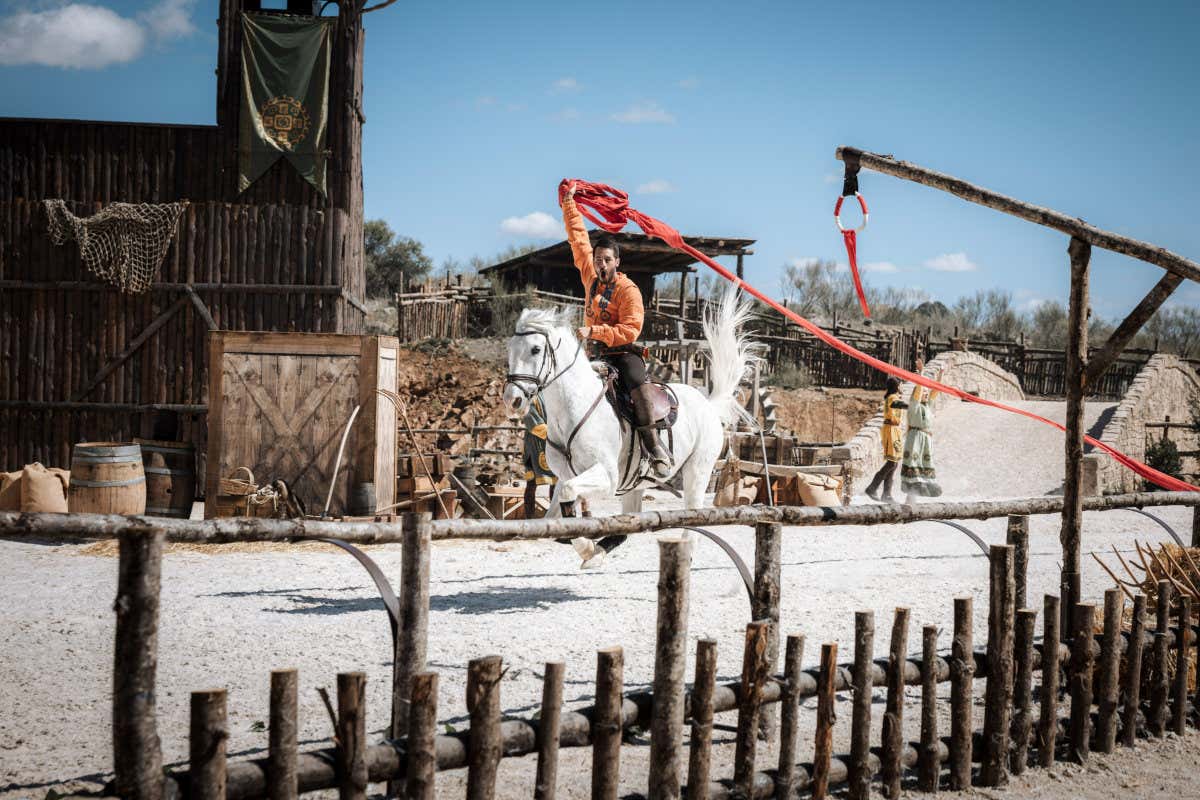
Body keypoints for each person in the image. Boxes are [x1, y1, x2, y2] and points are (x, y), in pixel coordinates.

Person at [560, 183, 671, 479]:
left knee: (637, 382)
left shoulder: (628, 290)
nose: (601, 263)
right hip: (592, 354)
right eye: (598, 259)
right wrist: (570, 204)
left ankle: (654, 446)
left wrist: (595, 331)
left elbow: (631, 330)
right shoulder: (590, 277)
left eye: (607, 259)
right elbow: (577, 239)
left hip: (622, 353)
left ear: (617, 262)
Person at [901, 360, 943, 501]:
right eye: (924, 392)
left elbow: (935, 391)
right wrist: (922, 374)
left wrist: (941, 374)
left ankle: (927, 483)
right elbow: (919, 390)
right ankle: (914, 485)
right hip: (916, 437)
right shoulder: (915, 405)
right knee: (915, 461)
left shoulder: (927, 406)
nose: (926, 393)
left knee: (926, 461)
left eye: (926, 391)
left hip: (926, 438)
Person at [863, 375, 908, 503]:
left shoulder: (894, 397)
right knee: (892, 462)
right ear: (897, 386)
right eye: (901, 385)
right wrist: (912, 405)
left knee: (894, 463)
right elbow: (899, 404)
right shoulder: (892, 398)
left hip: (895, 430)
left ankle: (887, 494)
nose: (902, 387)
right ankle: (872, 488)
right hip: (890, 430)